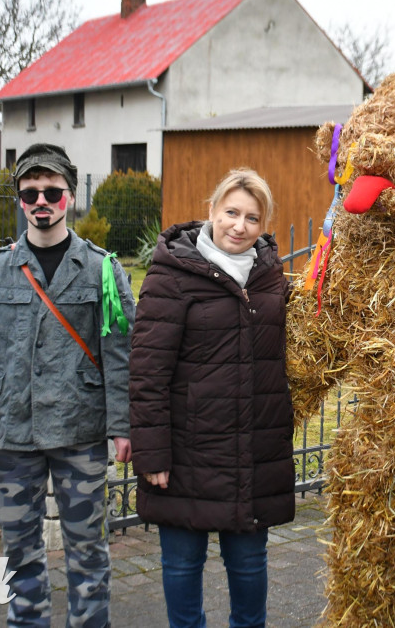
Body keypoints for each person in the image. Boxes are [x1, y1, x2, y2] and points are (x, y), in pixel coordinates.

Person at [0, 143, 135, 627]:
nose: (41, 201)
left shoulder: (101, 269)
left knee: (88, 552)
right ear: (19, 200)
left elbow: (120, 356)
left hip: (80, 431)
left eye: (52, 191)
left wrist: (124, 427)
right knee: (20, 554)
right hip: (14, 432)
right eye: (31, 192)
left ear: (69, 196)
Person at [129, 168, 294, 628]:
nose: (239, 226)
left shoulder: (270, 281)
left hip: (250, 454)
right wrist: (153, 454)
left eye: (252, 218)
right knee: (182, 566)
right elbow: (146, 374)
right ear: (212, 211)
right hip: (185, 453)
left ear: (263, 225)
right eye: (231, 212)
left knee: (248, 565)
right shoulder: (172, 274)